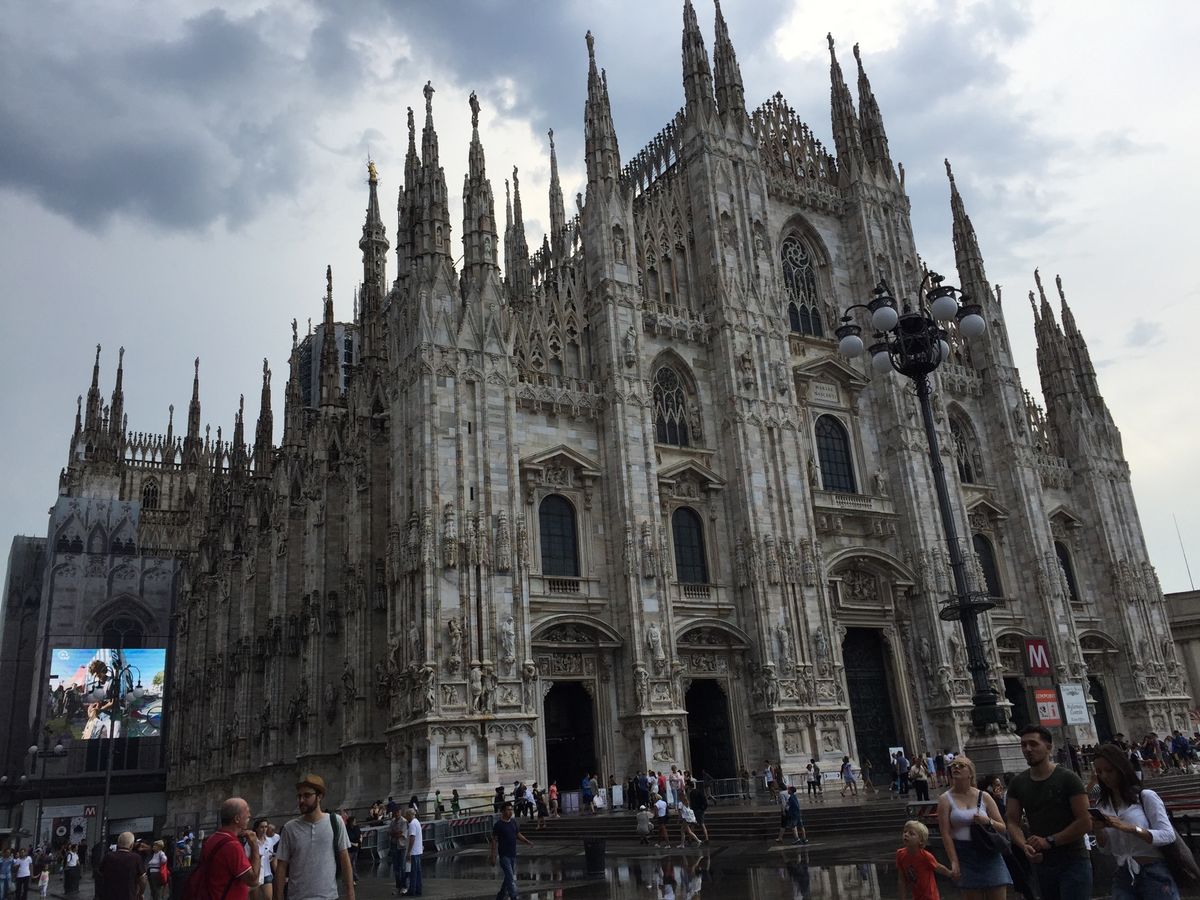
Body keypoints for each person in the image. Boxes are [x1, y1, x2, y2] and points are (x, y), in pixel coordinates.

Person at [1006, 725, 1093, 900]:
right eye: (1023, 745)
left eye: (1033, 744)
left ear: (1049, 747)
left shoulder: (1068, 778)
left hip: (1073, 861)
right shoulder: (1018, 783)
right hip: (1041, 863)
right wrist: (1024, 846)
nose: (1027, 749)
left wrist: (1050, 841)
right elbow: (1012, 821)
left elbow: (1085, 821)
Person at [1091, 742, 1181, 900]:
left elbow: (1168, 835)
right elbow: (1106, 849)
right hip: (1123, 873)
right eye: (1099, 772)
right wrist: (1098, 829)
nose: (1104, 776)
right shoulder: (1102, 805)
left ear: (1121, 769)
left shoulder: (1145, 797)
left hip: (1154, 871)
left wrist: (1132, 828)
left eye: (1109, 770)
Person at [937, 755, 1010, 899]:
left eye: (961, 765)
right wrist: (954, 861)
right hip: (965, 855)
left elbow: (1002, 827)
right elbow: (946, 833)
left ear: (970, 773)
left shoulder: (984, 797)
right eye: (954, 766)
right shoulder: (945, 799)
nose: (956, 767)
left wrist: (987, 821)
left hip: (989, 853)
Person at [274, 775, 354, 900]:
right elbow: (281, 866)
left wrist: (350, 895)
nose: (301, 800)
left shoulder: (335, 822)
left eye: (306, 795)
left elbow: (344, 859)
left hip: (329, 897)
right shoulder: (290, 828)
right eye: (299, 796)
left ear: (319, 796)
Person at [897, 820, 953, 900]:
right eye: (905, 832)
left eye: (911, 833)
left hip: (930, 896)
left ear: (921, 841)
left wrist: (950, 874)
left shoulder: (925, 856)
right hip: (916, 896)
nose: (906, 834)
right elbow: (901, 879)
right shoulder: (900, 854)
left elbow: (938, 867)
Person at [489, 801, 533, 900]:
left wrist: (527, 841)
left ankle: (500, 896)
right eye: (508, 810)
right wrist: (493, 856)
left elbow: (517, 834)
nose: (511, 812)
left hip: (512, 854)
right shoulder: (498, 825)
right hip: (504, 856)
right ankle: (514, 897)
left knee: (508, 878)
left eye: (511, 809)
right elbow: (494, 841)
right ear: (503, 811)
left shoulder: (513, 822)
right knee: (510, 877)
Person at [97, 834, 148, 900]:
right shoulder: (136, 858)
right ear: (131, 845)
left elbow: (100, 873)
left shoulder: (108, 856)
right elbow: (143, 879)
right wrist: (141, 893)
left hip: (109, 895)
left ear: (118, 843)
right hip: (129, 896)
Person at [400, 808, 423, 896]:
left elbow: (412, 838)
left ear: (409, 815)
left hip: (414, 851)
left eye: (406, 815)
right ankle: (418, 889)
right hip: (418, 850)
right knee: (418, 871)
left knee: (413, 872)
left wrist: (409, 852)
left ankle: (412, 890)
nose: (405, 817)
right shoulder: (417, 821)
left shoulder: (412, 824)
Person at [252, 820, 274, 900]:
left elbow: (270, 856)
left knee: (268, 897)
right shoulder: (251, 842)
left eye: (266, 827)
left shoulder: (270, 841)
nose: (264, 829)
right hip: (255, 874)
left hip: (266, 873)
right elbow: (246, 857)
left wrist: (271, 857)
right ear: (257, 829)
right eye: (262, 827)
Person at [387, 809, 407, 896]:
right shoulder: (392, 821)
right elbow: (389, 832)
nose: (396, 814)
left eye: (398, 813)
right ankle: (398, 886)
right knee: (396, 868)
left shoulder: (404, 821)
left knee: (402, 867)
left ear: (400, 812)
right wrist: (395, 833)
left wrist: (394, 833)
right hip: (394, 845)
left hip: (402, 846)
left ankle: (404, 886)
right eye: (395, 813)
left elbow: (400, 833)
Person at [688, 778, 709, 843]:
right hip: (701, 810)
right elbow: (704, 800)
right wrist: (703, 808)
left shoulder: (692, 793)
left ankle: (690, 839)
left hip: (695, 810)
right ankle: (706, 838)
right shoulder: (699, 791)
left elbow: (692, 803)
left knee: (693, 825)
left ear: (689, 787)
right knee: (702, 824)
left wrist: (691, 809)